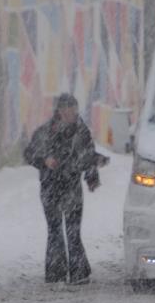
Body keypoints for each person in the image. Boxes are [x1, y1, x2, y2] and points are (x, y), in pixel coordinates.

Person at [24, 93, 108, 284]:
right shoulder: (45, 131)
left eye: (74, 109)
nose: (71, 113)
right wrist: (45, 160)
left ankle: (79, 273)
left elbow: (87, 156)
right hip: (50, 186)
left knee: (73, 230)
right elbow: (30, 153)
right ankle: (56, 272)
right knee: (54, 230)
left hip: (71, 186)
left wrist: (92, 176)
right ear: (59, 111)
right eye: (67, 109)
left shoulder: (82, 131)